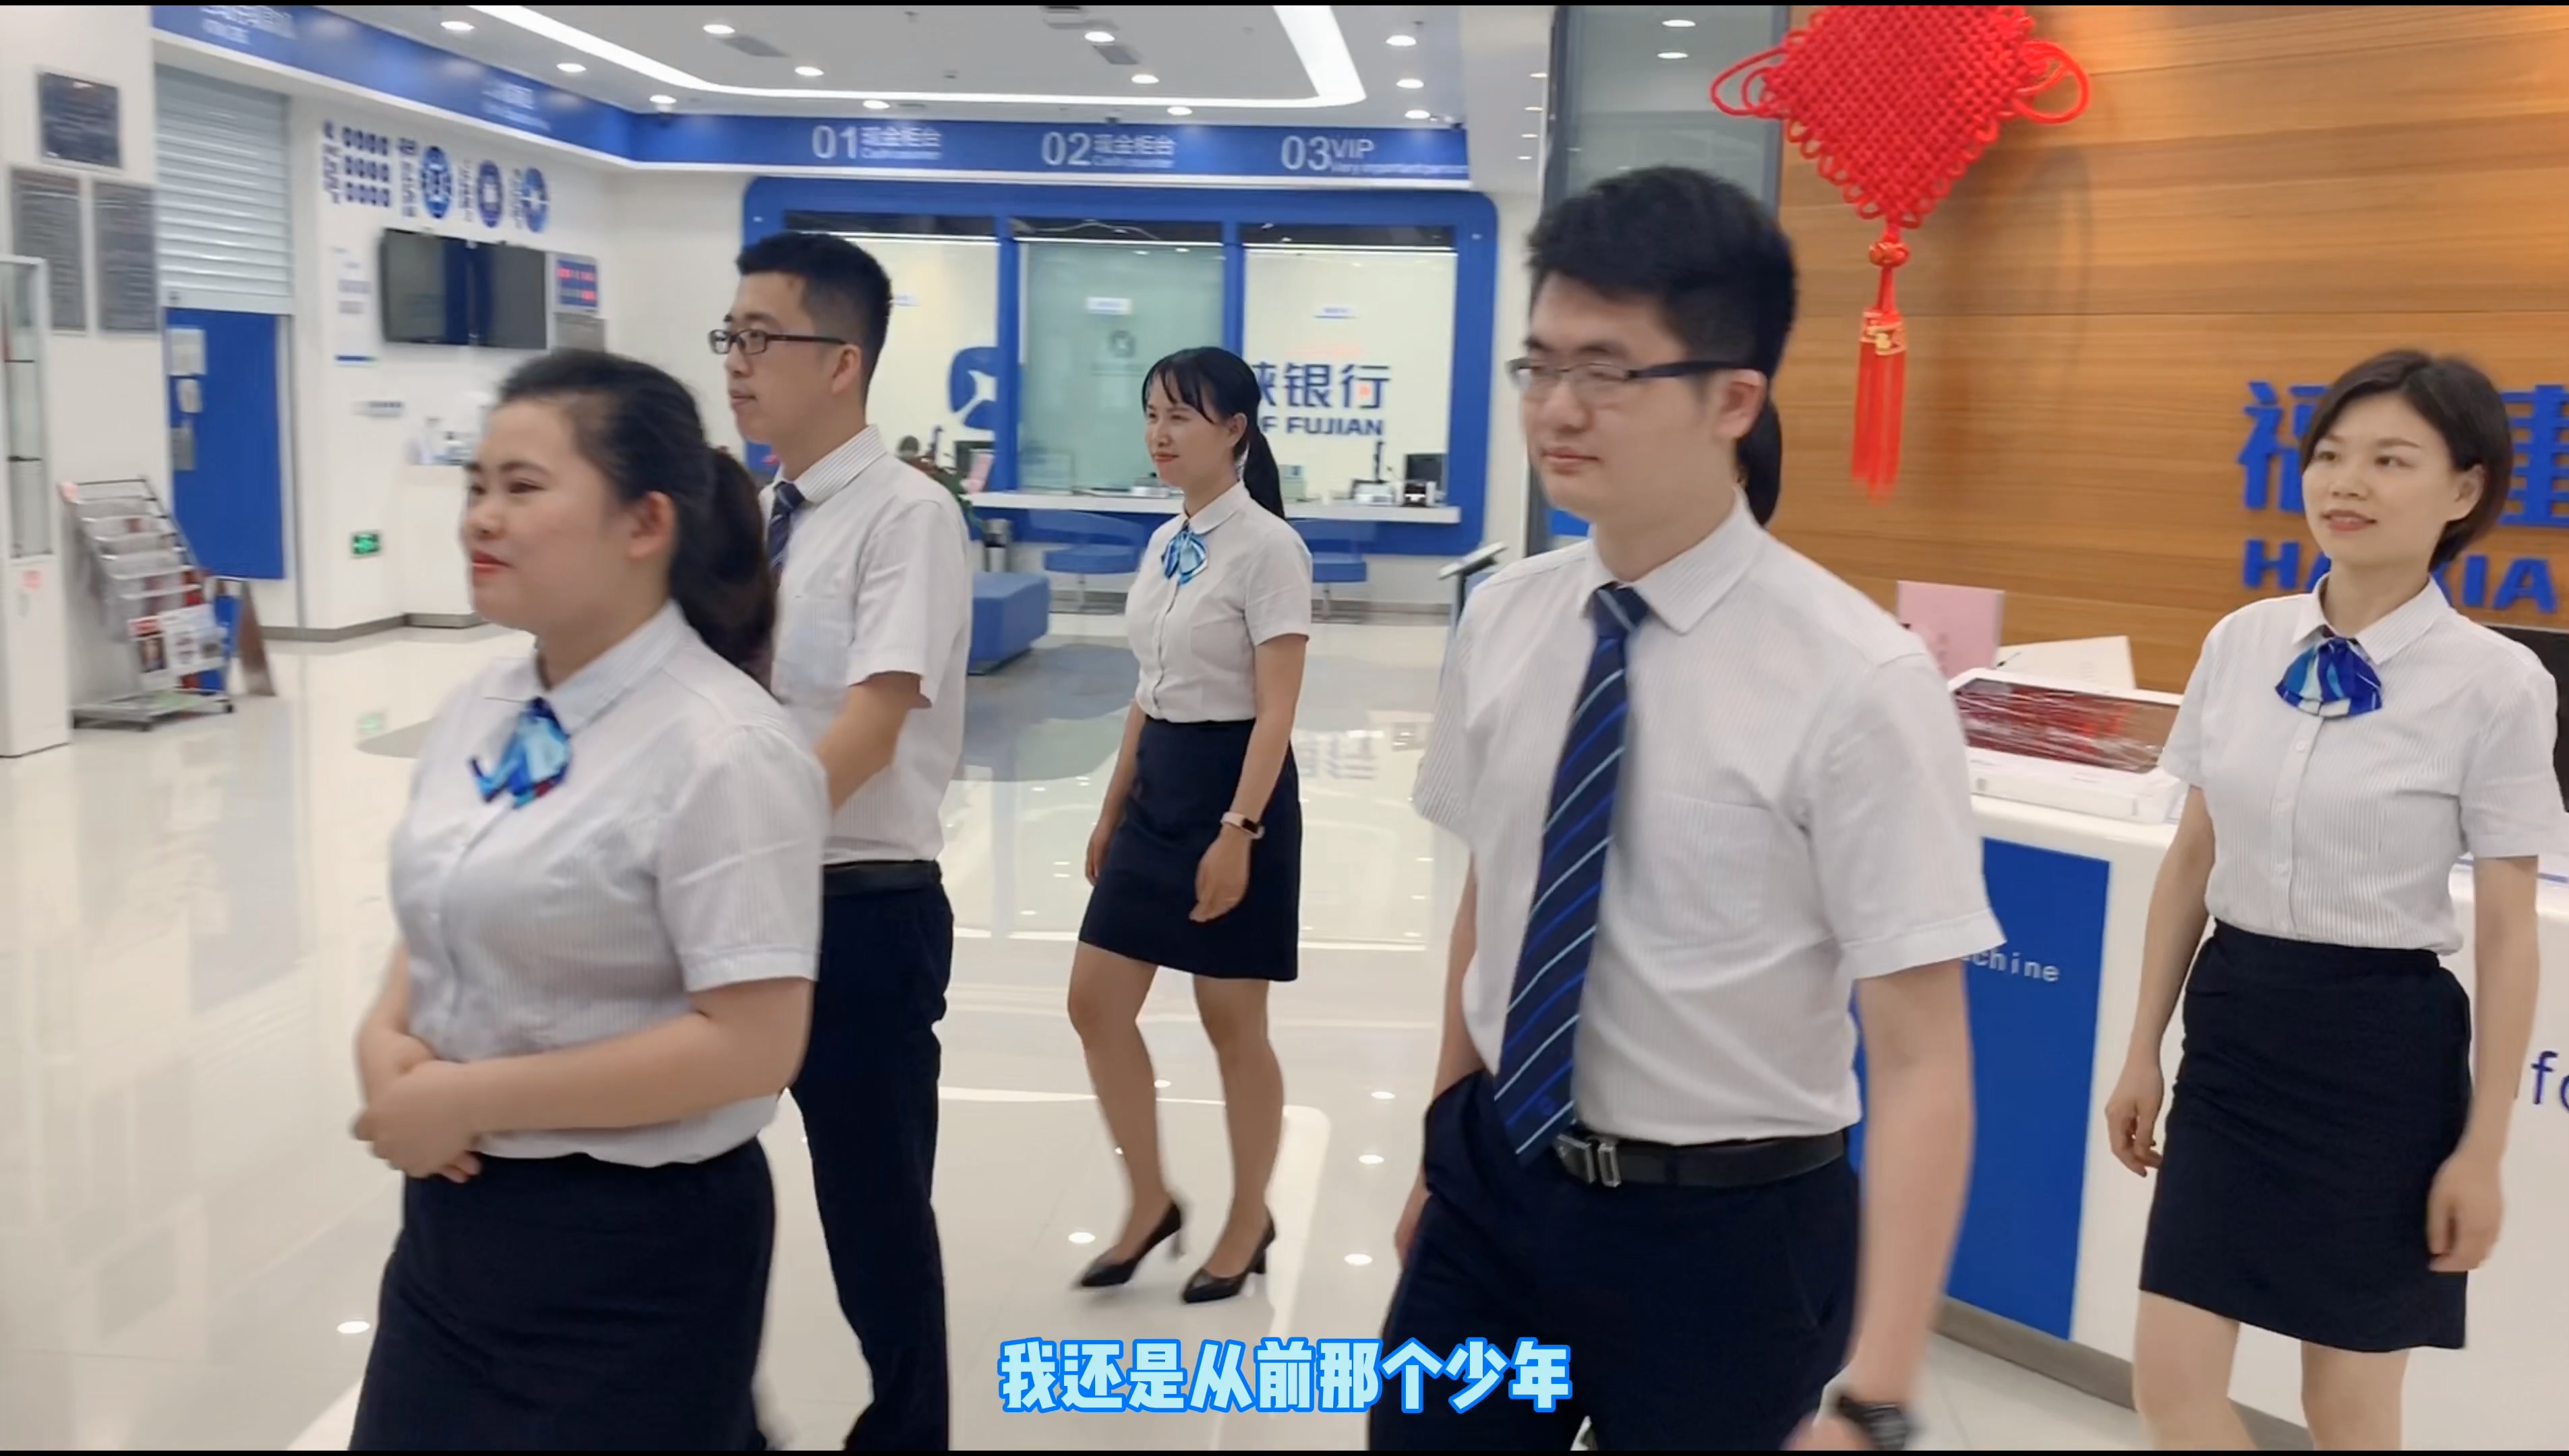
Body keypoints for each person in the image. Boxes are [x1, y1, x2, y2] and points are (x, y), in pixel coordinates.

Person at [1377, 166, 1990, 1451]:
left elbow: (1922, 1056)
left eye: (1608, 370)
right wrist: (1447, 1144)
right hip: (1495, 1194)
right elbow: (1500, 894)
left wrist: (1877, 1397)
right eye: (1540, 365)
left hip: (1725, 1241)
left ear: (1733, 399)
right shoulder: (1504, 619)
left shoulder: (1858, 681)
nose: (1558, 407)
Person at [347, 351, 825, 1449]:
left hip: (633, 1256)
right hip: (453, 1237)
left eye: (523, 487)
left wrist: (474, 1097)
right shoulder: (481, 705)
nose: (482, 517)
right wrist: (384, 1040)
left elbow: (752, 1045)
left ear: (644, 522)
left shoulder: (725, 748)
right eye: (477, 485)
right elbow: (452, 896)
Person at [2104, 350, 2552, 1450]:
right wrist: (2140, 1048)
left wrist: (2482, 1149)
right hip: (2234, 1032)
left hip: (2379, 1057)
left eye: (2389, 460)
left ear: (2463, 490)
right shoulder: (2240, 640)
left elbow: (2507, 931)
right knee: (2168, 1385)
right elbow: (2193, 855)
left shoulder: (2496, 682)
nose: (2345, 482)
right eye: (2329, 455)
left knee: (2345, 1406)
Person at [724, 231, 972, 1451]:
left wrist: (734, 847)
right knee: (691, 1179)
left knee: (874, 1220)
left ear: (842, 361)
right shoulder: (751, 518)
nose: (735, 361)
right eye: (728, 337)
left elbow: (871, 727)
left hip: (860, 910)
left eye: (760, 337)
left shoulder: (907, 517)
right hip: (742, 907)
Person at [1068, 346, 1313, 1304]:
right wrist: (1111, 806)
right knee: (1095, 1003)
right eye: (1152, 414)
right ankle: (1148, 1200)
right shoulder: (1167, 539)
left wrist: (1238, 831)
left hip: (1235, 786)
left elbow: (1278, 707)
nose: (1159, 433)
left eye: (1181, 416)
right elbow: (1149, 687)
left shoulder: (1269, 548)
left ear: (1234, 431)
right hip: (1157, 786)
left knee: (1230, 1019)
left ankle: (1249, 1215)